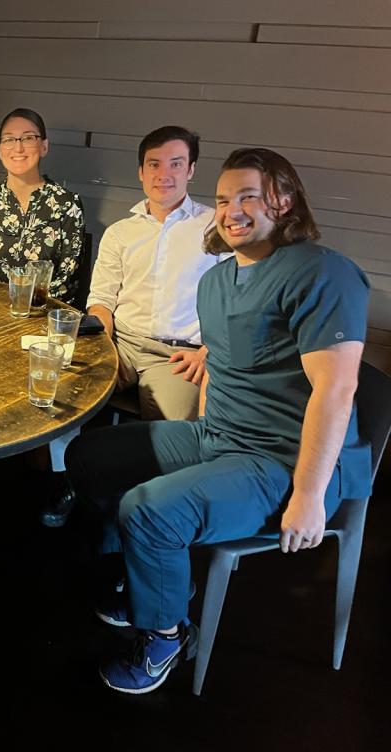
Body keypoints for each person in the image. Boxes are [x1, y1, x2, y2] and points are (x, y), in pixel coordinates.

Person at [65, 148, 371, 695]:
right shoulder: (219, 280)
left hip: (283, 460)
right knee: (90, 457)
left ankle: (164, 637)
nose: (231, 210)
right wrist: (205, 428)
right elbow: (226, 364)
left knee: (148, 508)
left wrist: (308, 493)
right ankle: (155, 582)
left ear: (284, 199)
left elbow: (338, 388)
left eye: (249, 196)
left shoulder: (321, 273)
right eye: (225, 198)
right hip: (221, 439)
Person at [86, 126, 220, 422]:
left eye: (176, 164)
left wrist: (208, 352)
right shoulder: (120, 232)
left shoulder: (215, 227)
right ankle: (57, 466)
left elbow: (238, 301)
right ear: (141, 172)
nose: (163, 175)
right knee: (62, 387)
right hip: (120, 344)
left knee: (171, 434)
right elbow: (101, 299)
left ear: (191, 170)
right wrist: (100, 345)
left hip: (177, 356)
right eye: (154, 164)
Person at [0, 108, 85, 305]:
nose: (18, 148)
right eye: (9, 139)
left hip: (43, 320)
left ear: (44, 146)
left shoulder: (67, 205)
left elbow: (66, 283)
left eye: (28, 138)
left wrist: (27, 310)